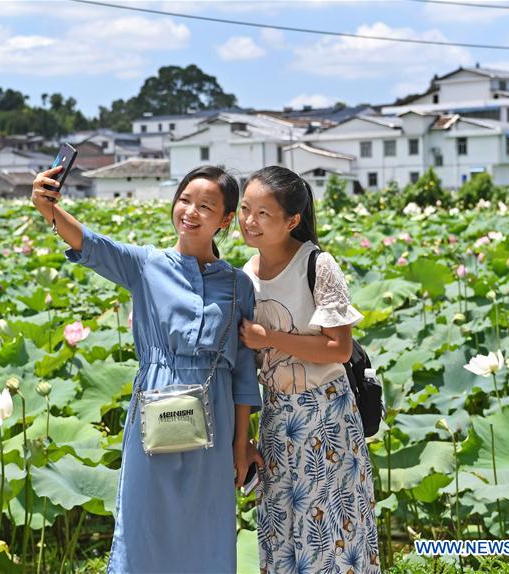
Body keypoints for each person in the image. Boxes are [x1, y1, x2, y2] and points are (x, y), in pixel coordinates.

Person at [31, 164, 262, 573]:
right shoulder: (146, 265)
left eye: (206, 206)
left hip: (217, 416)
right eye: (185, 200)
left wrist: (241, 443)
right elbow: (91, 245)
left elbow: (243, 370)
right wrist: (47, 208)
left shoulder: (238, 284)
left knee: (208, 523)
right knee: (145, 521)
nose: (190, 211)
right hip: (156, 406)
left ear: (226, 220)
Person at [237, 166, 380, 573]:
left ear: (292, 220)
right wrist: (243, 438)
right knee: (281, 528)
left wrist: (270, 337)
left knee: (333, 529)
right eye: (246, 209)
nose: (250, 221)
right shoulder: (246, 276)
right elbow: (247, 362)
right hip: (277, 416)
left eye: (263, 213)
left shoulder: (317, 265)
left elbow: (339, 347)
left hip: (327, 416)